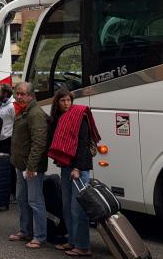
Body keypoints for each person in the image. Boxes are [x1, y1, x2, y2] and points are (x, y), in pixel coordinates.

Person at [48, 88, 100, 257]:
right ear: (57, 102)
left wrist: (77, 168)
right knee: (67, 207)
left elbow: (83, 144)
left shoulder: (79, 116)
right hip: (66, 167)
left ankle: (83, 247)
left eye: (68, 100)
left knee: (78, 209)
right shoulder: (59, 118)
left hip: (79, 168)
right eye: (62, 100)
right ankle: (72, 241)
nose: (66, 103)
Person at [8, 82, 50, 249]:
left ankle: (39, 236)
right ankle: (25, 231)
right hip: (21, 165)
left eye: (23, 94)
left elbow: (39, 143)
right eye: (17, 93)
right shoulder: (24, 110)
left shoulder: (35, 113)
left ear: (31, 96)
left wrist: (31, 167)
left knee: (35, 201)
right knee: (22, 199)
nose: (19, 96)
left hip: (31, 167)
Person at [0, 83, 17, 200]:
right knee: (2, 167)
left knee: (10, 167)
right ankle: (5, 192)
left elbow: (16, 122)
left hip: (9, 140)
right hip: (0, 140)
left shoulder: (12, 106)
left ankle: (13, 192)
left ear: (5, 93)